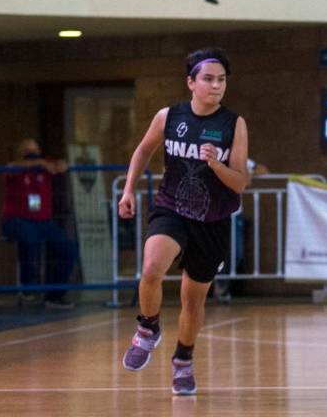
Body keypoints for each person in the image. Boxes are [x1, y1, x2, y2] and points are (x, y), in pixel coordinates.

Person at [118, 47, 248, 395]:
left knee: (193, 300)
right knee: (151, 269)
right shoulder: (168, 117)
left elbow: (241, 182)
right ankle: (147, 329)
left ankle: (183, 361)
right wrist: (128, 190)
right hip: (172, 209)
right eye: (208, 79)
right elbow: (144, 150)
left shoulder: (233, 124)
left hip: (213, 220)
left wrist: (217, 165)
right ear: (191, 82)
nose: (216, 85)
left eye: (221, 80)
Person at [1, 139, 78, 308]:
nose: (33, 152)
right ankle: (27, 286)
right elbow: (12, 167)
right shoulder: (14, 168)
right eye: (28, 150)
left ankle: (55, 295)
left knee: (68, 249)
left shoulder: (45, 170)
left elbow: (60, 165)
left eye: (36, 149)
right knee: (29, 238)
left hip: (43, 222)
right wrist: (40, 161)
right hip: (17, 220)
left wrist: (59, 164)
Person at [211, 158, 269, 303]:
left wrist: (249, 172)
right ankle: (217, 287)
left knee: (237, 253)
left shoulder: (239, 158)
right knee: (215, 253)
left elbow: (263, 170)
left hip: (235, 214)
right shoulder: (212, 156)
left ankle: (222, 284)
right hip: (213, 214)